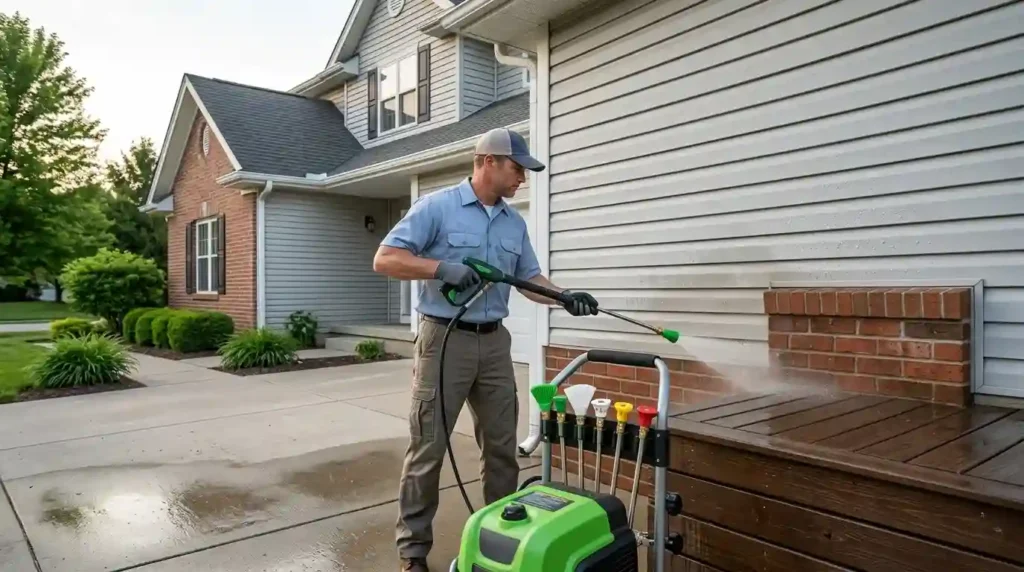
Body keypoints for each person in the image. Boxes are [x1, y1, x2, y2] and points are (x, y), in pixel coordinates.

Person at [372, 127, 599, 571]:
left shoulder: (514, 222)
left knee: (501, 449)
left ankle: (505, 537)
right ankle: (413, 554)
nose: (522, 179)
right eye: (517, 168)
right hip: (444, 341)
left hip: (495, 342)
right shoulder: (437, 207)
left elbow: (529, 278)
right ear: (488, 162)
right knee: (429, 448)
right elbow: (385, 258)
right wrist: (441, 268)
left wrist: (565, 296)